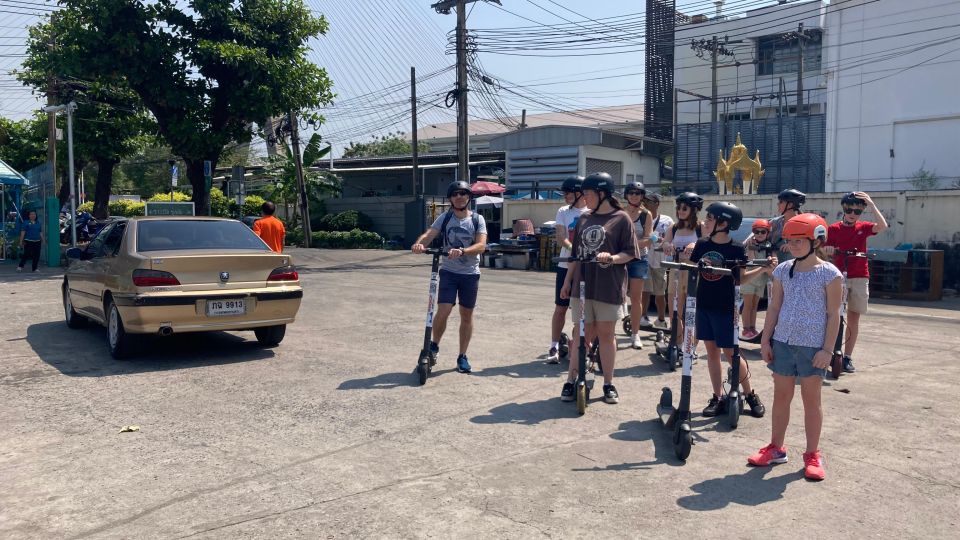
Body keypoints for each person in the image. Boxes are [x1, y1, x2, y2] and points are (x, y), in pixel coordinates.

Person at [749, 213, 842, 481]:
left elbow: (834, 314)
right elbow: (775, 306)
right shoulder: (781, 270)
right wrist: (765, 340)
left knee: (811, 400)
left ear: (817, 240)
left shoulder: (829, 274)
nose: (795, 245)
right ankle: (776, 448)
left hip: (813, 347)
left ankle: (813, 454)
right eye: (791, 240)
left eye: (801, 240)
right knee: (781, 397)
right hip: (783, 343)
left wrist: (827, 349)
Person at [559, 172, 639, 404]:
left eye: (588, 194)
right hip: (582, 286)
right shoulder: (584, 219)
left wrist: (612, 258)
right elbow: (575, 255)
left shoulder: (621, 218)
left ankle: (608, 383)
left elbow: (630, 253)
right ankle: (571, 379)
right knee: (579, 334)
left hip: (609, 286)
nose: (584, 198)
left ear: (602, 194)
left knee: (605, 334)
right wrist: (567, 282)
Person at [691, 202, 774, 419]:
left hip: (725, 307)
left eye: (710, 218)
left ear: (723, 222)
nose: (706, 222)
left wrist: (762, 268)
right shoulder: (700, 244)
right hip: (704, 305)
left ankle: (749, 394)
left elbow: (741, 278)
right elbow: (691, 272)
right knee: (711, 351)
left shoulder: (736, 248)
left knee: (731, 352)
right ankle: (717, 397)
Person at [411, 181, 488, 374]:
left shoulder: (478, 219)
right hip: (449, 272)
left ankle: (462, 356)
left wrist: (463, 251)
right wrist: (419, 244)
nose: (459, 197)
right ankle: (434, 346)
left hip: (470, 274)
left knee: (466, 315)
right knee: (443, 309)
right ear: (451, 198)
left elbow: (481, 246)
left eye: (463, 193)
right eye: (455, 194)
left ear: (469, 197)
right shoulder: (445, 218)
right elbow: (430, 234)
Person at [824, 191, 888, 373]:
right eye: (849, 209)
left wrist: (871, 203)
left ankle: (848, 356)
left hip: (859, 276)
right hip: (838, 276)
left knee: (854, 317)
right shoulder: (833, 229)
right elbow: (821, 250)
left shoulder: (864, 227)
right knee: (833, 315)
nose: (853, 213)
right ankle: (828, 351)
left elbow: (882, 226)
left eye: (857, 211)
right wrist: (828, 250)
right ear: (843, 209)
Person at [547, 176, 589, 364]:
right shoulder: (563, 211)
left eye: (568, 192)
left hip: (587, 268)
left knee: (582, 310)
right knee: (561, 307)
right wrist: (576, 249)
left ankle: (578, 345)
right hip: (566, 265)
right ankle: (554, 345)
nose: (565, 196)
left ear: (580, 192)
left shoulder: (592, 210)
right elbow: (561, 237)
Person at [663, 192, 703, 358]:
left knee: (692, 311)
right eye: (678, 208)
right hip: (676, 271)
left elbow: (707, 244)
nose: (680, 211)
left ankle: (691, 345)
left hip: (694, 273)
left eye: (684, 208)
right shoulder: (674, 227)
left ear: (693, 210)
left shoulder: (701, 227)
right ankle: (679, 343)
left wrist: (696, 244)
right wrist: (666, 244)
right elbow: (665, 241)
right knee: (675, 310)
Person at [623, 181, 653, 349]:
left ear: (642, 196)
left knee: (636, 298)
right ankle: (607, 333)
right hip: (620, 259)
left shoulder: (645, 214)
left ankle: (635, 335)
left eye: (638, 193)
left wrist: (630, 246)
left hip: (639, 259)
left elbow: (648, 239)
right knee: (615, 296)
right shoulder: (620, 212)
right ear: (626, 195)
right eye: (631, 192)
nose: (634, 195)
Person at [640, 192, 674, 330]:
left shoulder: (667, 220)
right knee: (645, 290)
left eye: (649, 202)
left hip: (660, 261)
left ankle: (661, 319)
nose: (646, 204)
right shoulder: (641, 218)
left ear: (657, 204)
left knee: (660, 292)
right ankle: (643, 316)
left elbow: (671, 238)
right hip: (645, 258)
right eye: (644, 202)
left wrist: (664, 242)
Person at [740, 218, 773, 340]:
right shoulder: (750, 244)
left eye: (762, 232)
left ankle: (752, 328)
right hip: (750, 277)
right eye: (757, 232)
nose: (759, 234)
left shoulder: (768, 246)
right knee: (748, 305)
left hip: (761, 279)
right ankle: (746, 328)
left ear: (767, 233)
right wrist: (751, 247)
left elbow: (771, 260)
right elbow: (751, 261)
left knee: (755, 305)